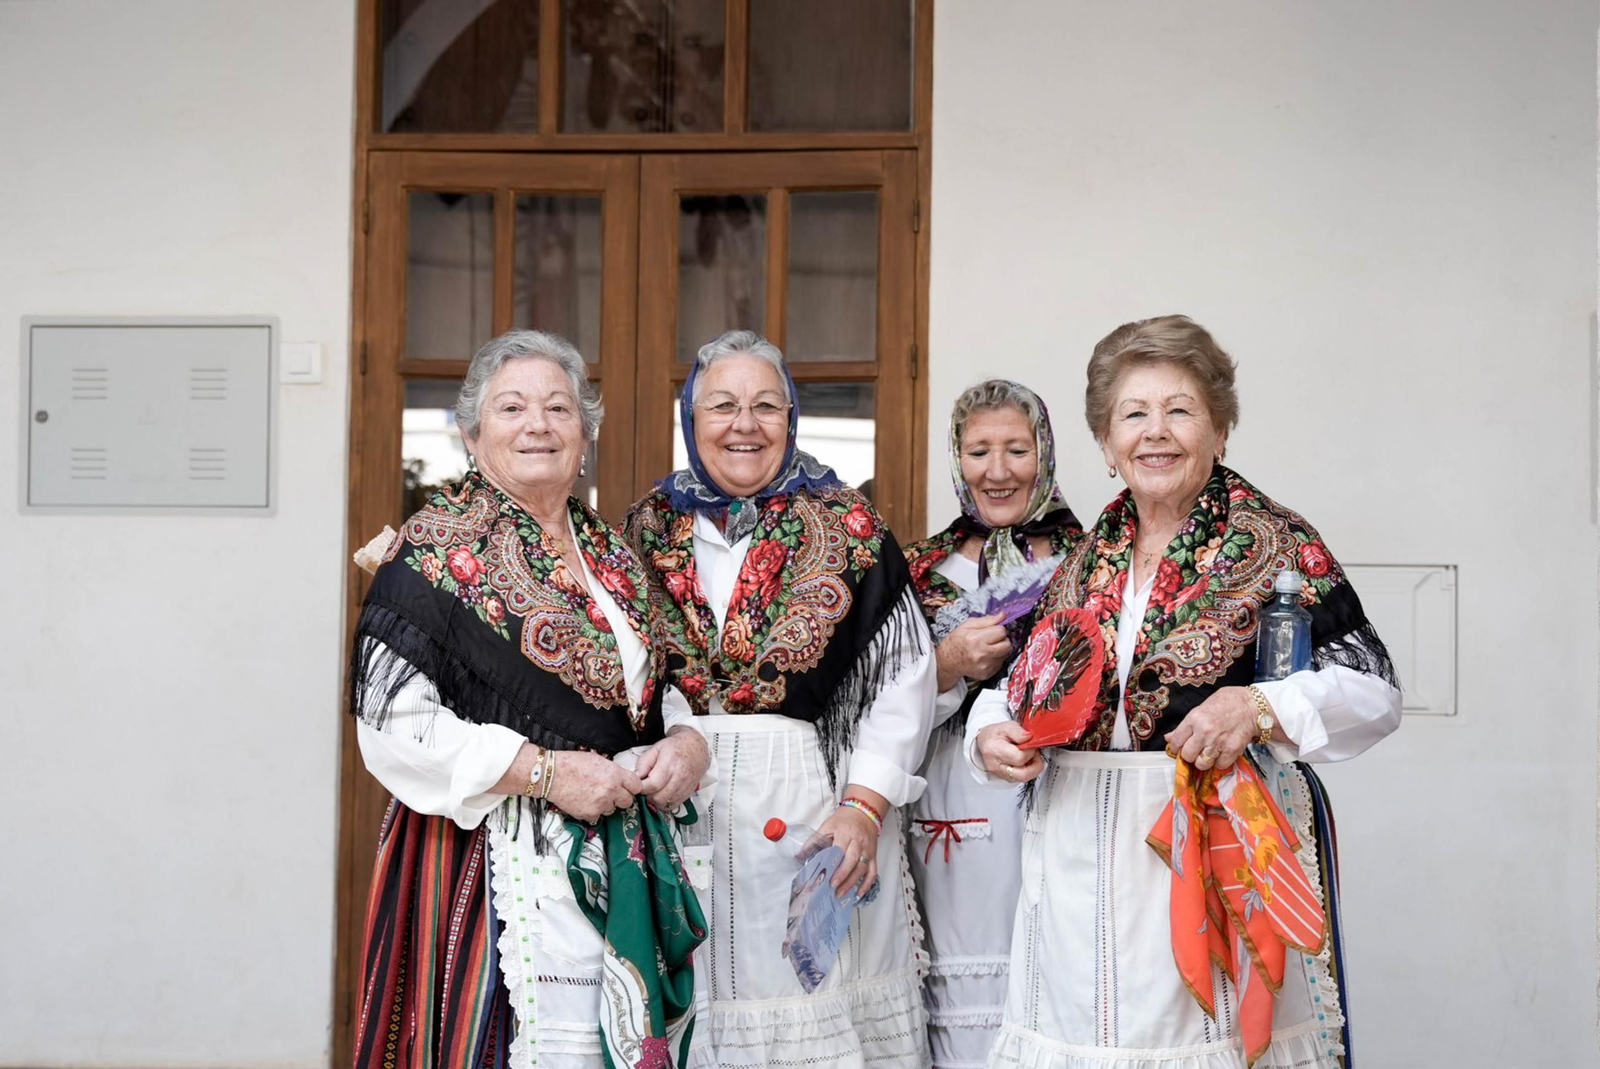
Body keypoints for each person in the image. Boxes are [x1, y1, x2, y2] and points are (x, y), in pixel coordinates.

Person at [967, 315, 1402, 1069]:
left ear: (1220, 430)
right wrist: (989, 735)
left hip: (1208, 856)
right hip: (1073, 869)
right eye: (1133, 414)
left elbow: (1375, 691)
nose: (1155, 432)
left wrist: (1258, 708)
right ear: (1106, 442)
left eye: (1180, 410)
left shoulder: (1274, 542)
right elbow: (1020, 686)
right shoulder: (1086, 557)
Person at [348, 330, 712, 1069]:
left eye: (559, 408)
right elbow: (393, 724)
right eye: (512, 407)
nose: (538, 425)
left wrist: (685, 740)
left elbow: (656, 682)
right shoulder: (430, 552)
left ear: (586, 433)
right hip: (487, 863)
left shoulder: (613, 553)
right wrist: (543, 772)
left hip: (618, 857)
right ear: (472, 434)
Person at [626, 330, 938, 1068]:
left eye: (767, 405)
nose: (746, 424)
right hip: (679, 808)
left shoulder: (848, 525)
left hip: (814, 810)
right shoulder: (646, 527)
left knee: (807, 1018)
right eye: (723, 405)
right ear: (691, 418)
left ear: (792, 418)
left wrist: (864, 809)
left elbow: (904, 679)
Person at [901, 380, 1081, 1069]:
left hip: (1062, 789)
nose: (997, 470)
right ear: (957, 459)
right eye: (979, 451)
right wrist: (945, 664)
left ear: (1046, 453)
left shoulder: (1094, 560)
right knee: (967, 1006)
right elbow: (868, 710)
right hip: (954, 800)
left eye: (1017, 449)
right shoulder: (917, 571)